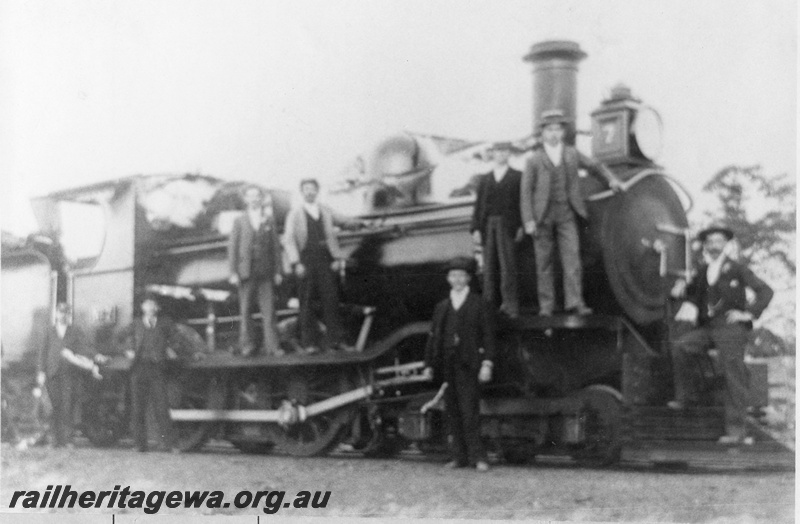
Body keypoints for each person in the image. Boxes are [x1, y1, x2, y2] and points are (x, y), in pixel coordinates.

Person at [668, 226, 773, 445]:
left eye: (718, 241)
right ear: (706, 246)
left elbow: (766, 291)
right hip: (709, 327)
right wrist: (681, 286)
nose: (714, 246)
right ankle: (687, 397)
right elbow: (692, 294)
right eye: (710, 242)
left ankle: (736, 430)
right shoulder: (703, 269)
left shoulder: (737, 268)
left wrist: (748, 313)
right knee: (682, 347)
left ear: (726, 244)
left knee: (732, 371)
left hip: (731, 327)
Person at [520, 109, 622, 316]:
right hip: (542, 216)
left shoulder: (572, 153)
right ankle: (546, 306)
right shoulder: (534, 160)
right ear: (542, 133)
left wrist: (611, 179)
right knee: (544, 263)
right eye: (549, 129)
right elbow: (526, 192)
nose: (554, 133)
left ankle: (575, 303)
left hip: (567, 213)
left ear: (563, 133)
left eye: (558, 129)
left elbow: (595, 165)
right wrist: (529, 220)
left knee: (572, 259)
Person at [423, 257, 495, 472]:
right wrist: (429, 364)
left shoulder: (479, 304)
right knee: (452, 412)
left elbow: (488, 336)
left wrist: (487, 364)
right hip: (447, 365)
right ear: (448, 279)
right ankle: (459, 457)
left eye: (462, 276)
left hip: (470, 364)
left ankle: (478, 457)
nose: (458, 280)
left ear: (469, 279)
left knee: (469, 411)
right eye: (454, 276)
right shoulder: (442, 307)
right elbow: (433, 336)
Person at [282, 178, 357, 352]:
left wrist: (359, 223)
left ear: (317, 191)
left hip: (325, 259)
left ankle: (336, 341)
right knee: (306, 302)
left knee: (331, 299)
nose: (309, 192)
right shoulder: (295, 214)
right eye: (306, 189)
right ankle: (309, 343)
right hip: (306, 260)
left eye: (312, 189)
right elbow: (288, 240)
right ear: (302, 193)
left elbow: (344, 221)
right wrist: (296, 262)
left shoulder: (325, 210)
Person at [118, 295, 183, 453]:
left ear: (157, 309)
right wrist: (127, 351)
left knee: (162, 407)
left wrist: (171, 349)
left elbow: (178, 338)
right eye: (147, 306)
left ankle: (169, 444)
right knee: (138, 408)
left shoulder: (165, 323)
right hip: (139, 369)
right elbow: (118, 338)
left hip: (157, 369)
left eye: (153, 306)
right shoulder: (136, 324)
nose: (150, 309)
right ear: (143, 309)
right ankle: (140, 445)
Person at [36, 302, 102, 448]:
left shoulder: (75, 330)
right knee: (53, 407)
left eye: (66, 313)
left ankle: (67, 440)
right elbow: (42, 353)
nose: (63, 315)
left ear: (69, 315)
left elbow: (84, 346)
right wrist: (41, 372)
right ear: (56, 314)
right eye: (60, 312)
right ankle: (54, 440)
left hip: (69, 374)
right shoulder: (49, 331)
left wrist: (96, 356)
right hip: (52, 373)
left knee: (68, 406)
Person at [228, 185, 284, 357]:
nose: (254, 199)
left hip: (265, 271)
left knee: (269, 310)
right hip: (245, 272)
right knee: (245, 310)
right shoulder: (239, 221)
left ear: (261, 198)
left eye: (257, 196)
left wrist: (278, 271)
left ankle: (272, 346)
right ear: (246, 199)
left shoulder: (268, 219)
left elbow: (275, 247)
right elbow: (233, 248)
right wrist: (233, 272)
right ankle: (247, 345)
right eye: (250, 196)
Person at [471, 142, 523, 318]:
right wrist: (476, 228)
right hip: (488, 225)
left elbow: (521, 204)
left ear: (509, 154)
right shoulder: (485, 179)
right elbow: (478, 206)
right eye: (498, 151)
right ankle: (488, 306)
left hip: (507, 224)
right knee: (489, 267)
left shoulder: (517, 176)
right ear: (493, 154)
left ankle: (510, 306)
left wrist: (520, 225)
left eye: (504, 151)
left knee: (508, 266)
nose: (501, 154)